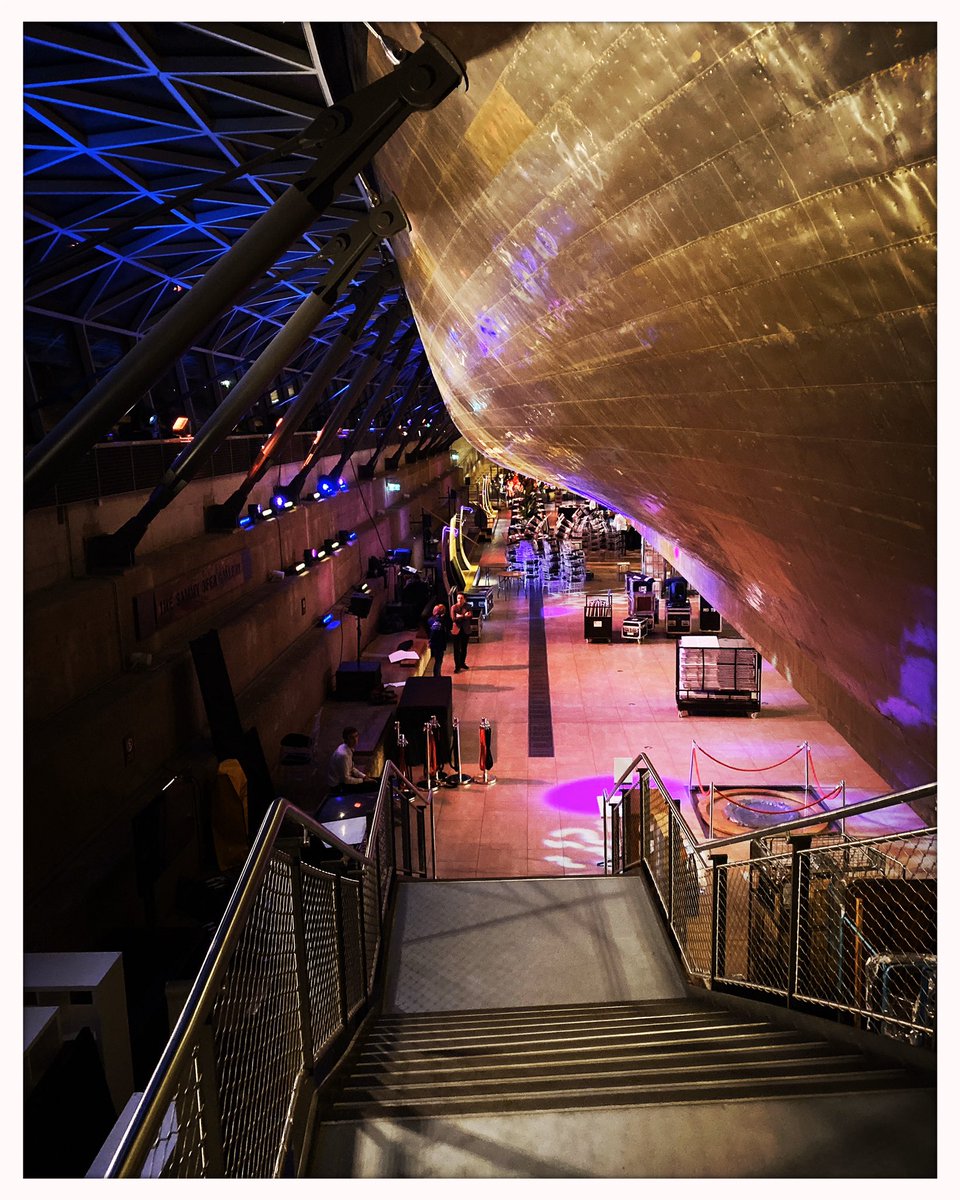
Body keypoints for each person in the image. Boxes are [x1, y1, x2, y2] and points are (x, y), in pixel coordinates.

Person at [326, 726, 377, 794]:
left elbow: (351, 768)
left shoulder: (347, 748)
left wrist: (364, 776)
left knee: (375, 781)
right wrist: (362, 780)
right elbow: (346, 780)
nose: (355, 740)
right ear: (346, 739)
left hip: (344, 779)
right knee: (374, 786)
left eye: (356, 736)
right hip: (338, 786)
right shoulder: (343, 755)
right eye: (351, 738)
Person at [450, 591, 473, 673]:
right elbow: (454, 619)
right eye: (458, 598)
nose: (459, 600)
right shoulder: (454, 607)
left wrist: (460, 616)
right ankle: (457, 666)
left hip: (465, 630)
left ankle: (462, 663)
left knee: (464, 648)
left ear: (464, 599)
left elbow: (470, 616)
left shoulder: (468, 606)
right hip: (457, 631)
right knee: (456, 649)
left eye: (461, 598)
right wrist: (464, 616)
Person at [427, 604, 449, 677]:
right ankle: (437, 677)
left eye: (435, 609)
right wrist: (430, 642)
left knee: (438, 661)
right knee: (438, 661)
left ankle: (438, 675)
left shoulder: (432, 619)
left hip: (437, 643)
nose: (433, 610)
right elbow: (434, 633)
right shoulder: (438, 621)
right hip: (438, 644)